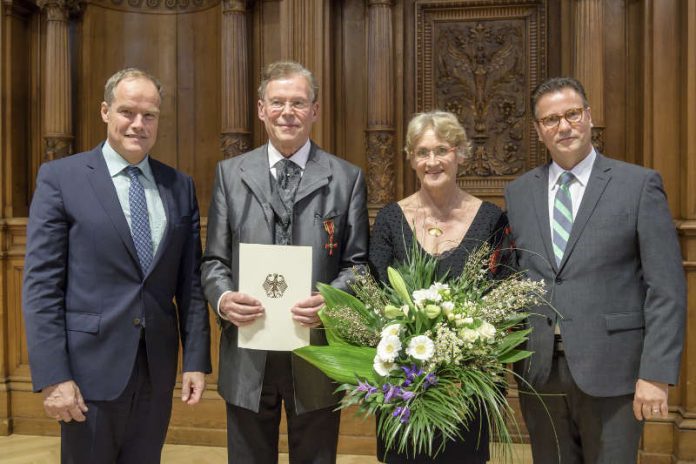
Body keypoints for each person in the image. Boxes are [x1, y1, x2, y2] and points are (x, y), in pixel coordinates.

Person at [22, 68, 212, 463]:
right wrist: (54, 377)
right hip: (87, 372)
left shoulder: (179, 186)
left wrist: (195, 360)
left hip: (155, 370)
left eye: (150, 115)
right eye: (128, 112)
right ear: (106, 111)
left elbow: (190, 283)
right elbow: (41, 287)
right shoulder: (62, 178)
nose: (138, 124)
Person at [505, 76, 686, 463]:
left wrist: (655, 373)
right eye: (551, 119)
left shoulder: (637, 185)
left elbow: (666, 288)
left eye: (572, 114)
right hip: (539, 371)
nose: (564, 126)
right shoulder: (518, 193)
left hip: (614, 369)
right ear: (539, 131)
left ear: (589, 116)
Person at [201, 61, 369, 463]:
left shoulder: (347, 178)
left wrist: (334, 301)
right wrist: (224, 300)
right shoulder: (229, 174)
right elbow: (213, 261)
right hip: (248, 350)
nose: (287, 112)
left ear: (315, 110)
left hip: (316, 351)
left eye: (298, 102)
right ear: (261, 109)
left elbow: (358, 266)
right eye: (277, 102)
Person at [369, 110, 510, 463]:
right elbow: (373, 299)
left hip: (467, 390)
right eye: (422, 152)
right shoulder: (389, 219)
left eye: (442, 150)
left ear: (461, 154)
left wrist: (466, 361)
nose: (432, 161)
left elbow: (502, 299)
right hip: (403, 388)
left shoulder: (491, 219)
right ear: (410, 159)